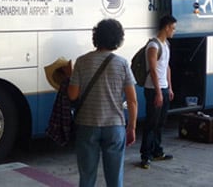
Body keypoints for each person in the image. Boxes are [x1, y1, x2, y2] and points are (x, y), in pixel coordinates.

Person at [68, 19, 138, 187]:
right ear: (118, 39)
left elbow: (72, 95)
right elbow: (132, 100)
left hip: (87, 125)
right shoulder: (122, 64)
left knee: (86, 176)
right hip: (114, 126)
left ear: (96, 37)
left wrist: (68, 78)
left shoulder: (82, 61)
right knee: (115, 179)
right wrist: (132, 127)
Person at [139, 14, 177, 169]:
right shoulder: (153, 46)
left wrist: (169, 87)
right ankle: (145, 156)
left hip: (164, 88)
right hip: (153, 90)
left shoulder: (166, 44)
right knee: (151, 124)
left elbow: (166, 67)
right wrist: (159, 92)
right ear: (166, 27)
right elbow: (153, 70)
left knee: (160, 123)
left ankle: (157, 151)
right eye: (173, 28)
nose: (174, 31)